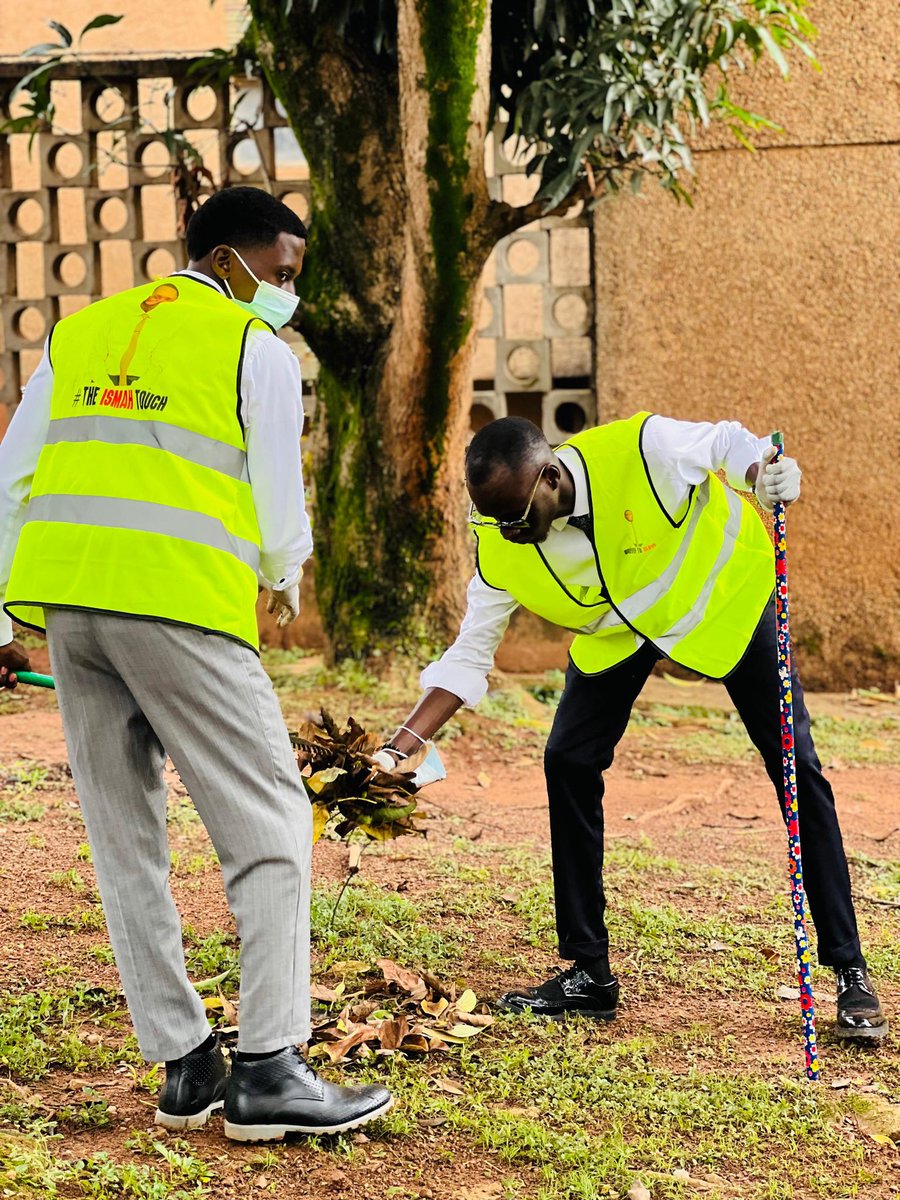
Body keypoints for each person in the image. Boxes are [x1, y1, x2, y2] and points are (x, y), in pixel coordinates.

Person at [0, 187, 392, 1140]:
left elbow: (15, 471)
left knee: (125, 835)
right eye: (283, 273)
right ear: (227, 258)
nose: (286, 294)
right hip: (177, 604)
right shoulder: (251, 347)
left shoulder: (81, 332)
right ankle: (269, 1068)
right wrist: (283, 575)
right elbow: (274, 487)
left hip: (72, 608)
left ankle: (185, 1067)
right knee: (269, 817)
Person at [377, 413, 887, 1040]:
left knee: (795, 765)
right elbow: (469, 653)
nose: (505, 532)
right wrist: (402, 744)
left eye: (516, 516)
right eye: (492, 519)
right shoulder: (499, 543)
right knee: (568, 758)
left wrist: (761, 473)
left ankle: (850, 971)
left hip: (722, 598)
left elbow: (724, 443)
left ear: (550, 475)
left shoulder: (642, 449)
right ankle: (589, 974)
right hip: (619, 635)